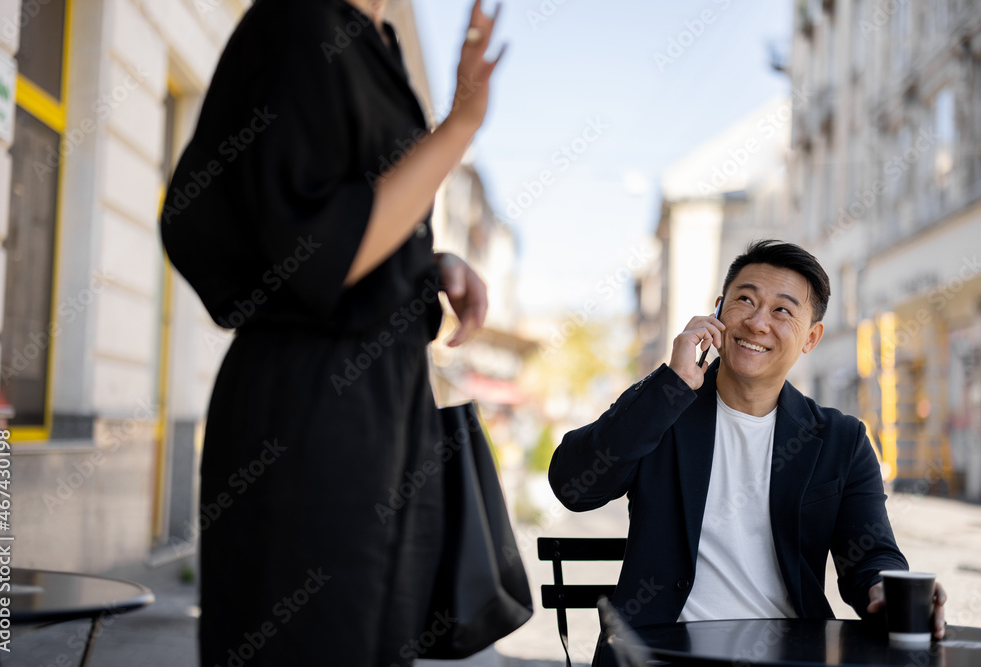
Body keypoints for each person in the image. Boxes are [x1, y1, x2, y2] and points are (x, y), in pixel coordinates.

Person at [159, 0, 503, 664]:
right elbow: (321, 249)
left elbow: (364, 224)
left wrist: (431, 264)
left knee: (374, 637)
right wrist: (460, 126)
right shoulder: (298, 23)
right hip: (313, 412)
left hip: (382, 408)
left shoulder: (378, 42)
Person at [548, 240, 948, 666]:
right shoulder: (664, 408)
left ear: (811, 337)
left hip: (795, 654)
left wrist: (885, 586)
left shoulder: (840, 440)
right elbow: (574, 486)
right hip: (662, 653)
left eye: (782, 310)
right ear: (718, 311)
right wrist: (672, 385)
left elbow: (870, 553)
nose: (758, 322)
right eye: (745, 300)